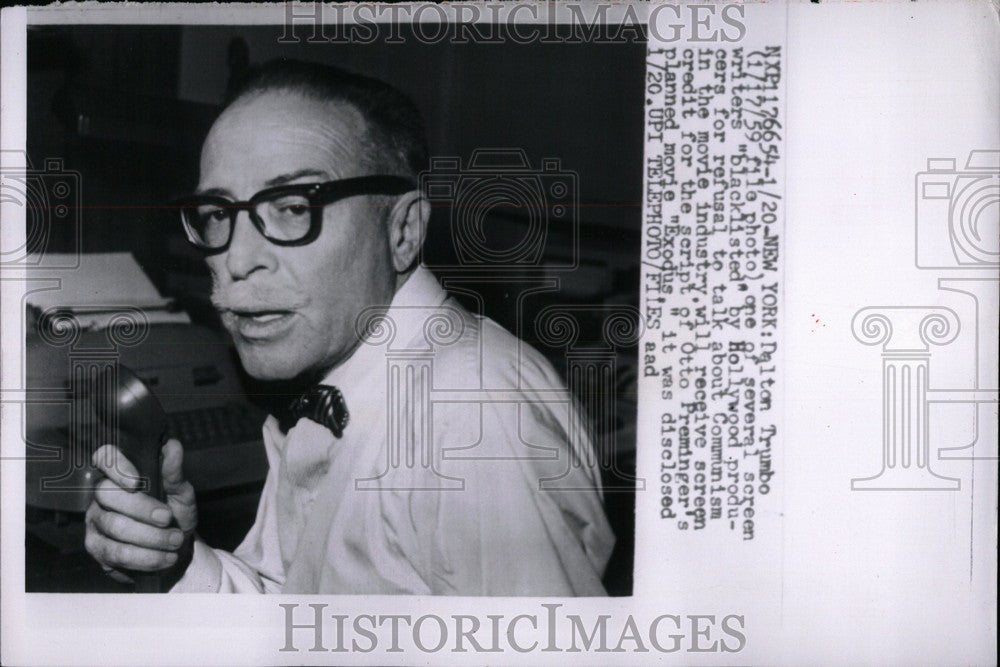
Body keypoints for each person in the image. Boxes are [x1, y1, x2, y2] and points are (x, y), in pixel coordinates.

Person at [84, 59, 614, 595]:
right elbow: (294, 622)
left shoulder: (469, 420)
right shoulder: (342, 372)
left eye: (292, 206)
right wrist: (176, 562)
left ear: (404, 230)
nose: (238, 258)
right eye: (218, 213)